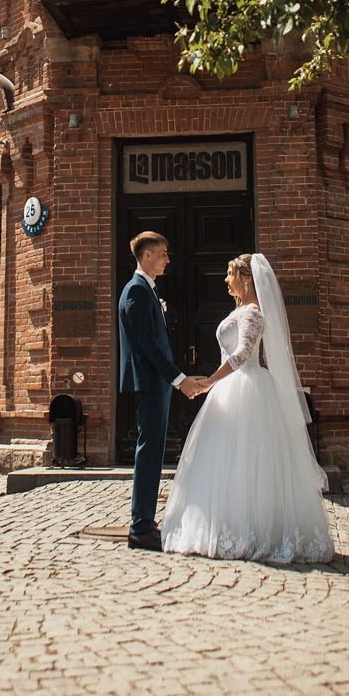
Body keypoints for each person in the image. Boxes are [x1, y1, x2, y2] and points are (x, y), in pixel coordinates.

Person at [161, 252, 335, 563]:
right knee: (225, 458)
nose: (226, 280)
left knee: (250, 459)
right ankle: (225, 524)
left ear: (246, 278)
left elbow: (242, 355)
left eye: (230, 275)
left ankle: (256, 530)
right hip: (232, 389)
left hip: (247, 388)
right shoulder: (241, 311)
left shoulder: (253, 313)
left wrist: (208, 382)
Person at [118, 231, 199, 550]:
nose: (167, 259)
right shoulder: (136, 292)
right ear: (147, 255)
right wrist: (179, 379)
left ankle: (145, 522)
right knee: (149, 453)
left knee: (152, 451)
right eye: (163, 253)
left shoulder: (147, 291)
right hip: (150, 382)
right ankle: (140, 527)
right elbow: (150, 345)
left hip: (156, 382)